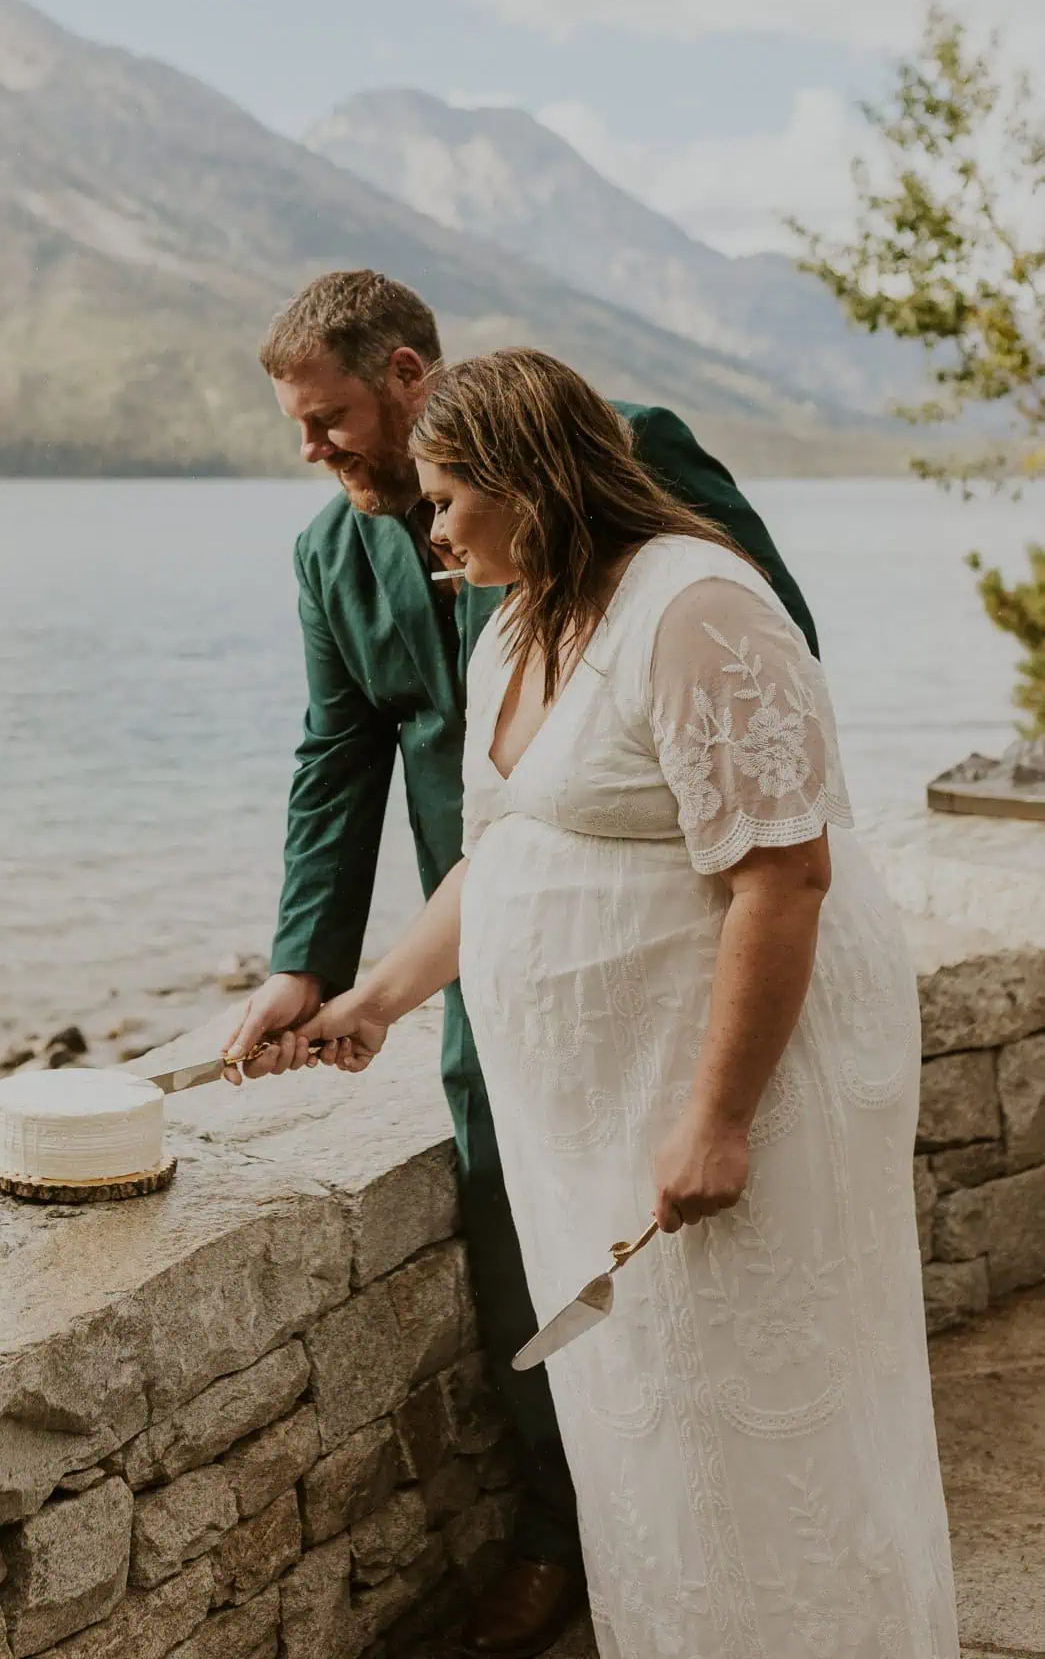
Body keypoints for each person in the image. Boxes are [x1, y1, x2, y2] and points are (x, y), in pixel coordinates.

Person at [296, 348, 958, 1659]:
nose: (430, 530)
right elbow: (507, 856)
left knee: (766, 1419)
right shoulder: (514, 619)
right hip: (592, 1132)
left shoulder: (699, 607)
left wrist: (718, 1118)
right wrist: (376, 995)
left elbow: (785, 874)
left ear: (525, 483)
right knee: (646, 1425)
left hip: (737, 1095)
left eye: (444, 500)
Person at [224, 269, 818, 1659]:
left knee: (722, 1226)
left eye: (330, 420)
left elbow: (765, 669)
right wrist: (306, 964)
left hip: (683, 934)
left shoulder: (630, 451)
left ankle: (742, 1516)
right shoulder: (329, 556)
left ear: (412, 374)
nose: (311, 452)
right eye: (299, 427)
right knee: (515, 1231)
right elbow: (339, 755)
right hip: (482, 960)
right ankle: (573, 1535)